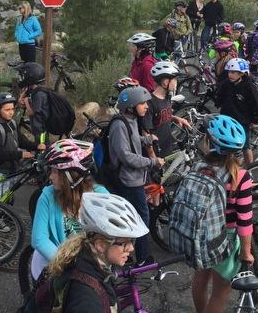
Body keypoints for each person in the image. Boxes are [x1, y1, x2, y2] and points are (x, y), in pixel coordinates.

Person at [190, 114, 257, 313]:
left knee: (200, 278)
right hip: (225, 238)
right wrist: (246, 252)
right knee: (220, 293)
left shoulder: (199, 167)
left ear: (211, 141)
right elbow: (244, 220)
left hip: (201, 233)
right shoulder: (241, 177)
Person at [27, 139, 106, 283]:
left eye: (55, 172)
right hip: (51, 268)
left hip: (87, 270)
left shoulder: (101, 196)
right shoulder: (47, 196)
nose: (50, 176)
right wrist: (73, 266)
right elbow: (39, 239)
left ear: (70, 176)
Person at [108, 86, 160, 265]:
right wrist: (152, 162)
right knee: (140, 217)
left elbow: (132, 140)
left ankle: (127, 254)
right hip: (128, 180)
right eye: (142, 103)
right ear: (130, 106)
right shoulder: (119, 124)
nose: (146, 106)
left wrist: (147, 139)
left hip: (135, 177)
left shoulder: (130, 120)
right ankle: (142, 258)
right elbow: (126, 156)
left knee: (132, 217)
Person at [145, 61, 192, 156]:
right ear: (165, 82)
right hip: (156, 153)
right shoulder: (150, 103)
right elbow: (146, 134)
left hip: (167, 147)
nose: (176, 82)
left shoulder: (167, 97)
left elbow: (163, 115)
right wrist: (153, 158)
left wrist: (176, 118)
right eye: (174, 79)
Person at [213, 58, 258, 140]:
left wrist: (255, 120)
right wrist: (217, 100)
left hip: (242, 121)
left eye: (233, 72)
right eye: (229, 72)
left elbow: (256, 103)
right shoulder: (226, 83)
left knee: (245, 147)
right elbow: (220, 96)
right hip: (227, 118)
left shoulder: (248, 86)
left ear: (241, 74)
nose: (230, 75)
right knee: (227, 144)